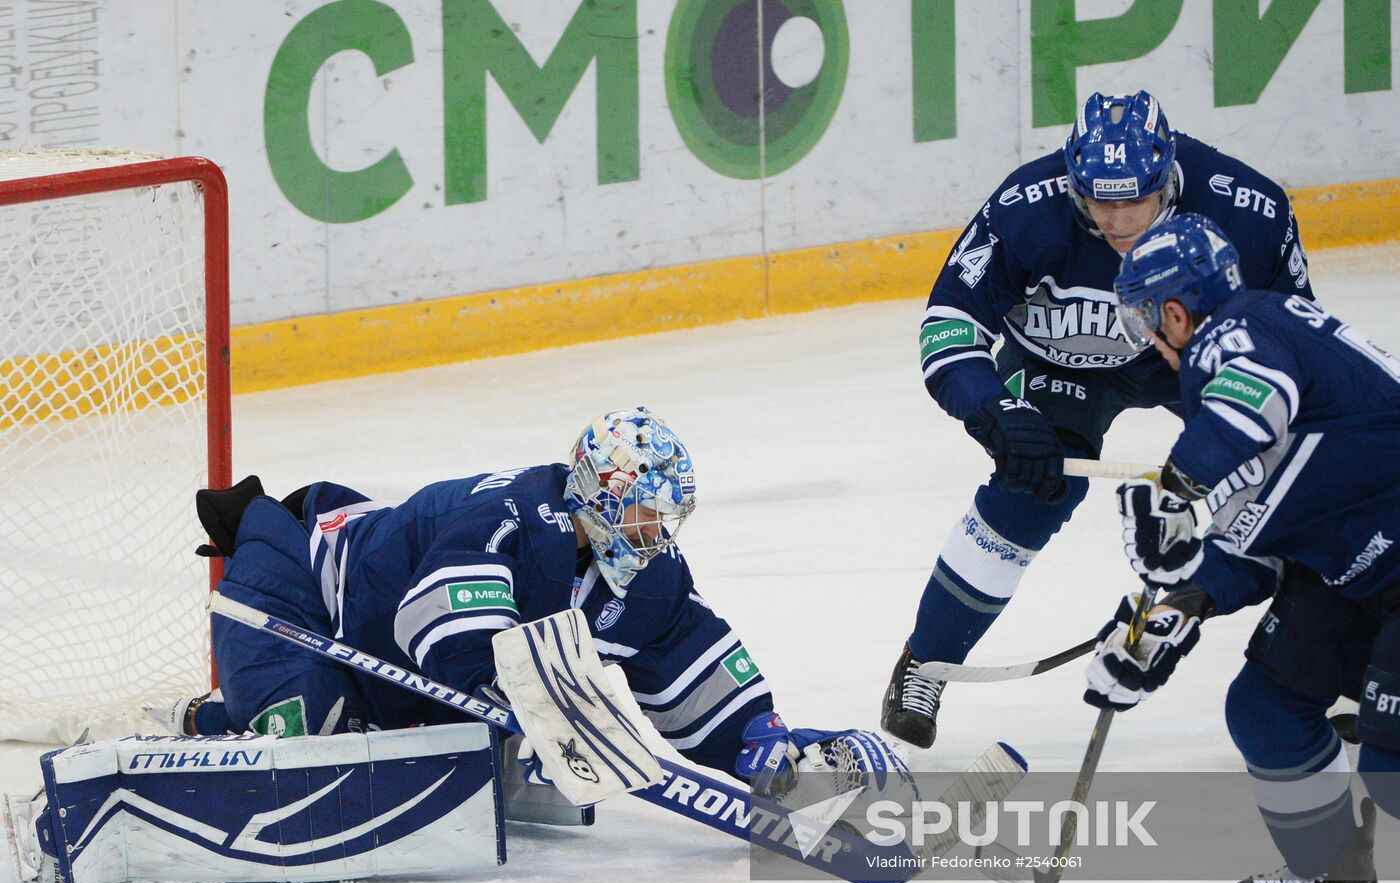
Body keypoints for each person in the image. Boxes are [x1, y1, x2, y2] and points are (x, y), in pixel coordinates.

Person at [882, 89, 1316, 749]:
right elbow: (948, 326)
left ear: (1168, 179)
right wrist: (992, 409)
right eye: (1098, 203)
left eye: (1131, 202)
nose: (1114, 222)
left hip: (1186, 354)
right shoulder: (1027, 207)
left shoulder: (1249, 211)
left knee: (1287, 479)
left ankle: (1344, 661)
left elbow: (1296, 346)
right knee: (1031, 491)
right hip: (1064, 369)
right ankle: (928, 660)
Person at [167, 408, 866, 793]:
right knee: (319, 743)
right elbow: (434, 624)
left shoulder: (646, 569)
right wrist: (524, 709)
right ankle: (213, 735)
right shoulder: (515, 515)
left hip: (378, 657)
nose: (656, 534)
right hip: (291, 594)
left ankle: (207, 716)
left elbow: (682, 651)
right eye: (644, 515)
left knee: (396, 733)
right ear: (601, 495)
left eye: (664, 518)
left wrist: (751, 737)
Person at [1084, 213, 1400, 883]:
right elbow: (1258, 538)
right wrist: (1183, 604)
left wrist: (1178, 492)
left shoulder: (1241, 332)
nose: (1146, 341)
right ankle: (1333, 870)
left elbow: (1256, 404)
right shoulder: (1232, 368)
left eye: (1143, 320)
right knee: (1265, 705)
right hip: (1350, 567)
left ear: (1174, 310)